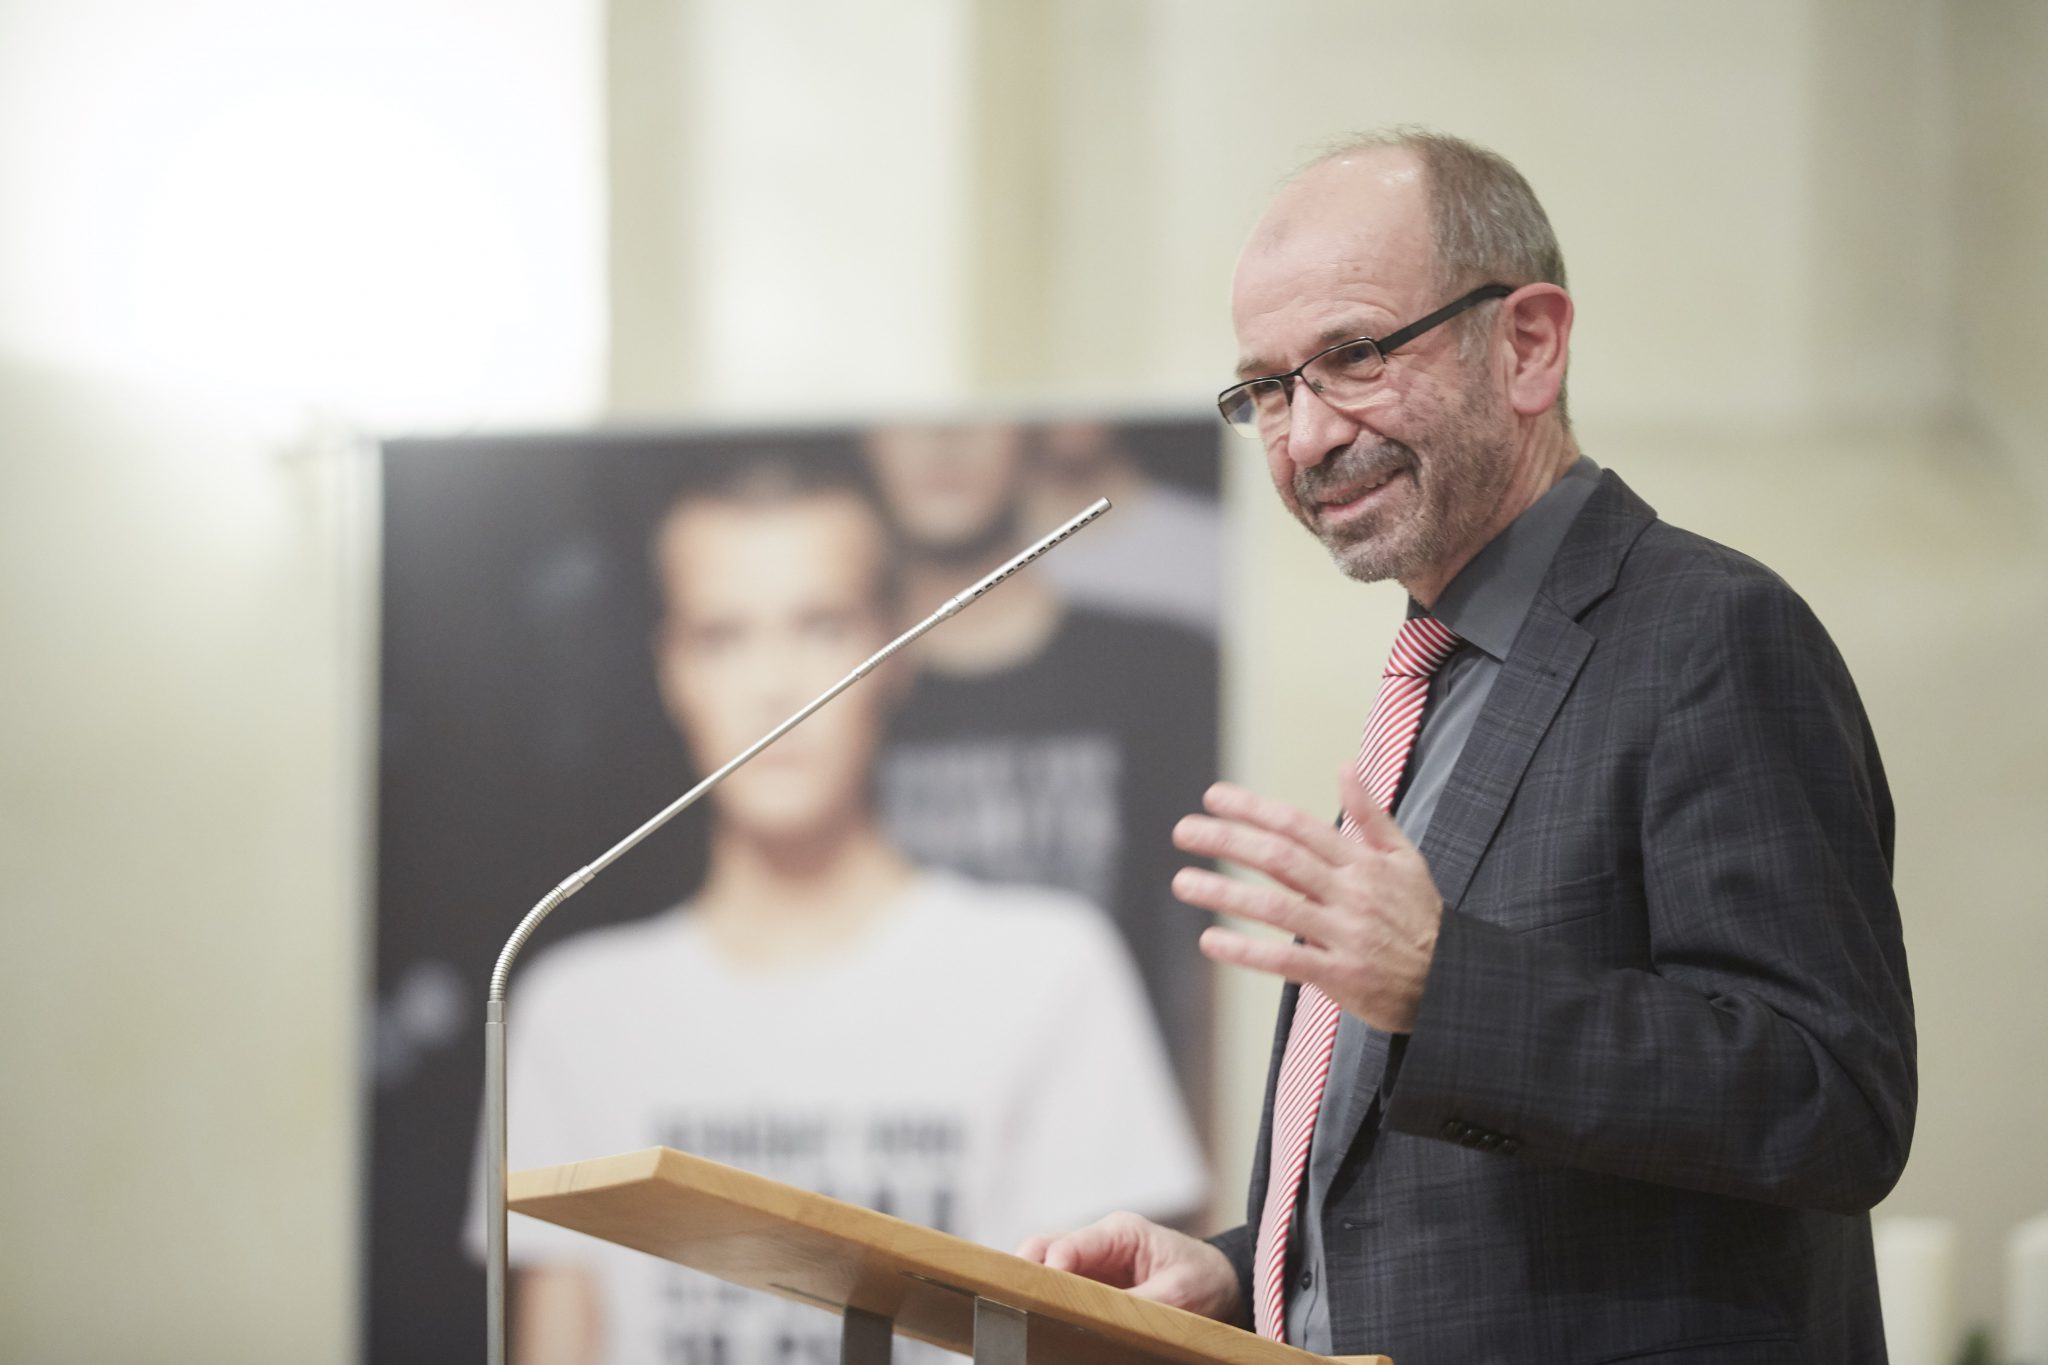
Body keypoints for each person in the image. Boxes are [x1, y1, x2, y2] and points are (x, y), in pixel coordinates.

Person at [1019, 129, 1915, 1364]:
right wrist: (1242, 1274)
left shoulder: (1705, 634)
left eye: (1352, 356)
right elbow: (1455, 1196)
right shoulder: (1439, 677)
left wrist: (1442, 984)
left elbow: (1829, 1100)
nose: (1305, 437)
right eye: (1266, 391)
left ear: (1527, 345)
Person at [469, 451, 1204, 1365]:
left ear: (895, 651)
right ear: (672, 668)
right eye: (723, 636)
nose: (775, 685)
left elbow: (1110, 1343)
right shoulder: (576, 1008)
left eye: (820, 626)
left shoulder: (1050, 969)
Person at [862, 420, 1221, 1113]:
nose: (941, 441)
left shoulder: (1164, 670)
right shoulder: (831, 698)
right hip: (890, 1125)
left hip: (1109, 1128)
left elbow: (1210, 956)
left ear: (1031, 429)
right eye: (905, 417)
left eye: (977, 414)